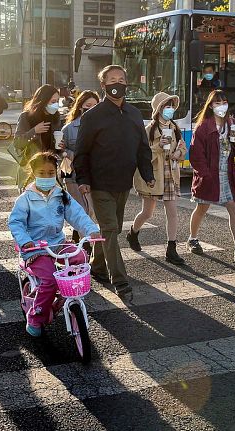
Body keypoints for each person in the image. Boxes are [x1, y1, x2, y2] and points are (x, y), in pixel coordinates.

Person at [74, 65, 155, 300]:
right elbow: (82, 152)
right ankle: (119, 279)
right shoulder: (92, 116)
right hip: (99, 184)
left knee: (113, 229)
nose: (117, 83)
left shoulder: (134, 113)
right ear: (104, 85)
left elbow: (143, 148)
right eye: (112, 80)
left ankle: (97, 266)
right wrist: (83, 179)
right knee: (109, 229)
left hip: (123, 183)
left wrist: (147, 174)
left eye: (121, 79)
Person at [8, 152, 100, 337]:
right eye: (41, 173)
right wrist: (26, 242)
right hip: (35, 248)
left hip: (57, 244)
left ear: (56, 173)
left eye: (51, 173)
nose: (47, 177)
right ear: (33, 173)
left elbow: (77, 214)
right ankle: (35, 316)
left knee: (80, 257)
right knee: (49, 280)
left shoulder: (61, 195)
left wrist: (91, 230)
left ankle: (66, 296)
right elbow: (16, 222)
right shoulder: (25, 198)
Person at [188, 89, 235, 263]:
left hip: (228, 175)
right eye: (217, 103)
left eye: (224, 102)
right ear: (210, 106)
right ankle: (192, 239)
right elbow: (196, 155)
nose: (221, 106)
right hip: (209, 177)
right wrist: (204, 175)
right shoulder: (204, 127)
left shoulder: (234, 124)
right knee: (202, 208)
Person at [126, 92, 186, 265]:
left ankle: (171, 249)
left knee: (172, 213)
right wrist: (158, 146)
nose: (170, 110)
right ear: (158, 108)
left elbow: (182, 147)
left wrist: (178, 153)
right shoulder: (149, 129)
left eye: (171, 106)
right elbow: (143, 154)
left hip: (170, 174)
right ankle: (133, 233)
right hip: (154, 175)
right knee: (147, 212)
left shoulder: (174, 128)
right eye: (166, 106)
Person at [59, 89, 99, 229]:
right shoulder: (69, 129)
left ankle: (83, 237)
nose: (91, 109)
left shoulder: (102, 127)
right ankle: (86, 245)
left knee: (92, 211)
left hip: (96, 175)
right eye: (88, 105)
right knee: (82, 210)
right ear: (81, 106)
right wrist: (66, 153)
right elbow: (62, 158)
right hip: (74, 176)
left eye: (95, 106)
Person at [14, 84, 62, 189]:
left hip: (49, 170)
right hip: (30, 169)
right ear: (43, 101)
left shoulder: (56, 118)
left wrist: (61, 146)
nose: (56, 105)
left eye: (57, 101)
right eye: (53, 102)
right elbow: (17, 143)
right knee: (29, 203)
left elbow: (55, 147)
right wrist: (34, 131)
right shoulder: (26, 117)